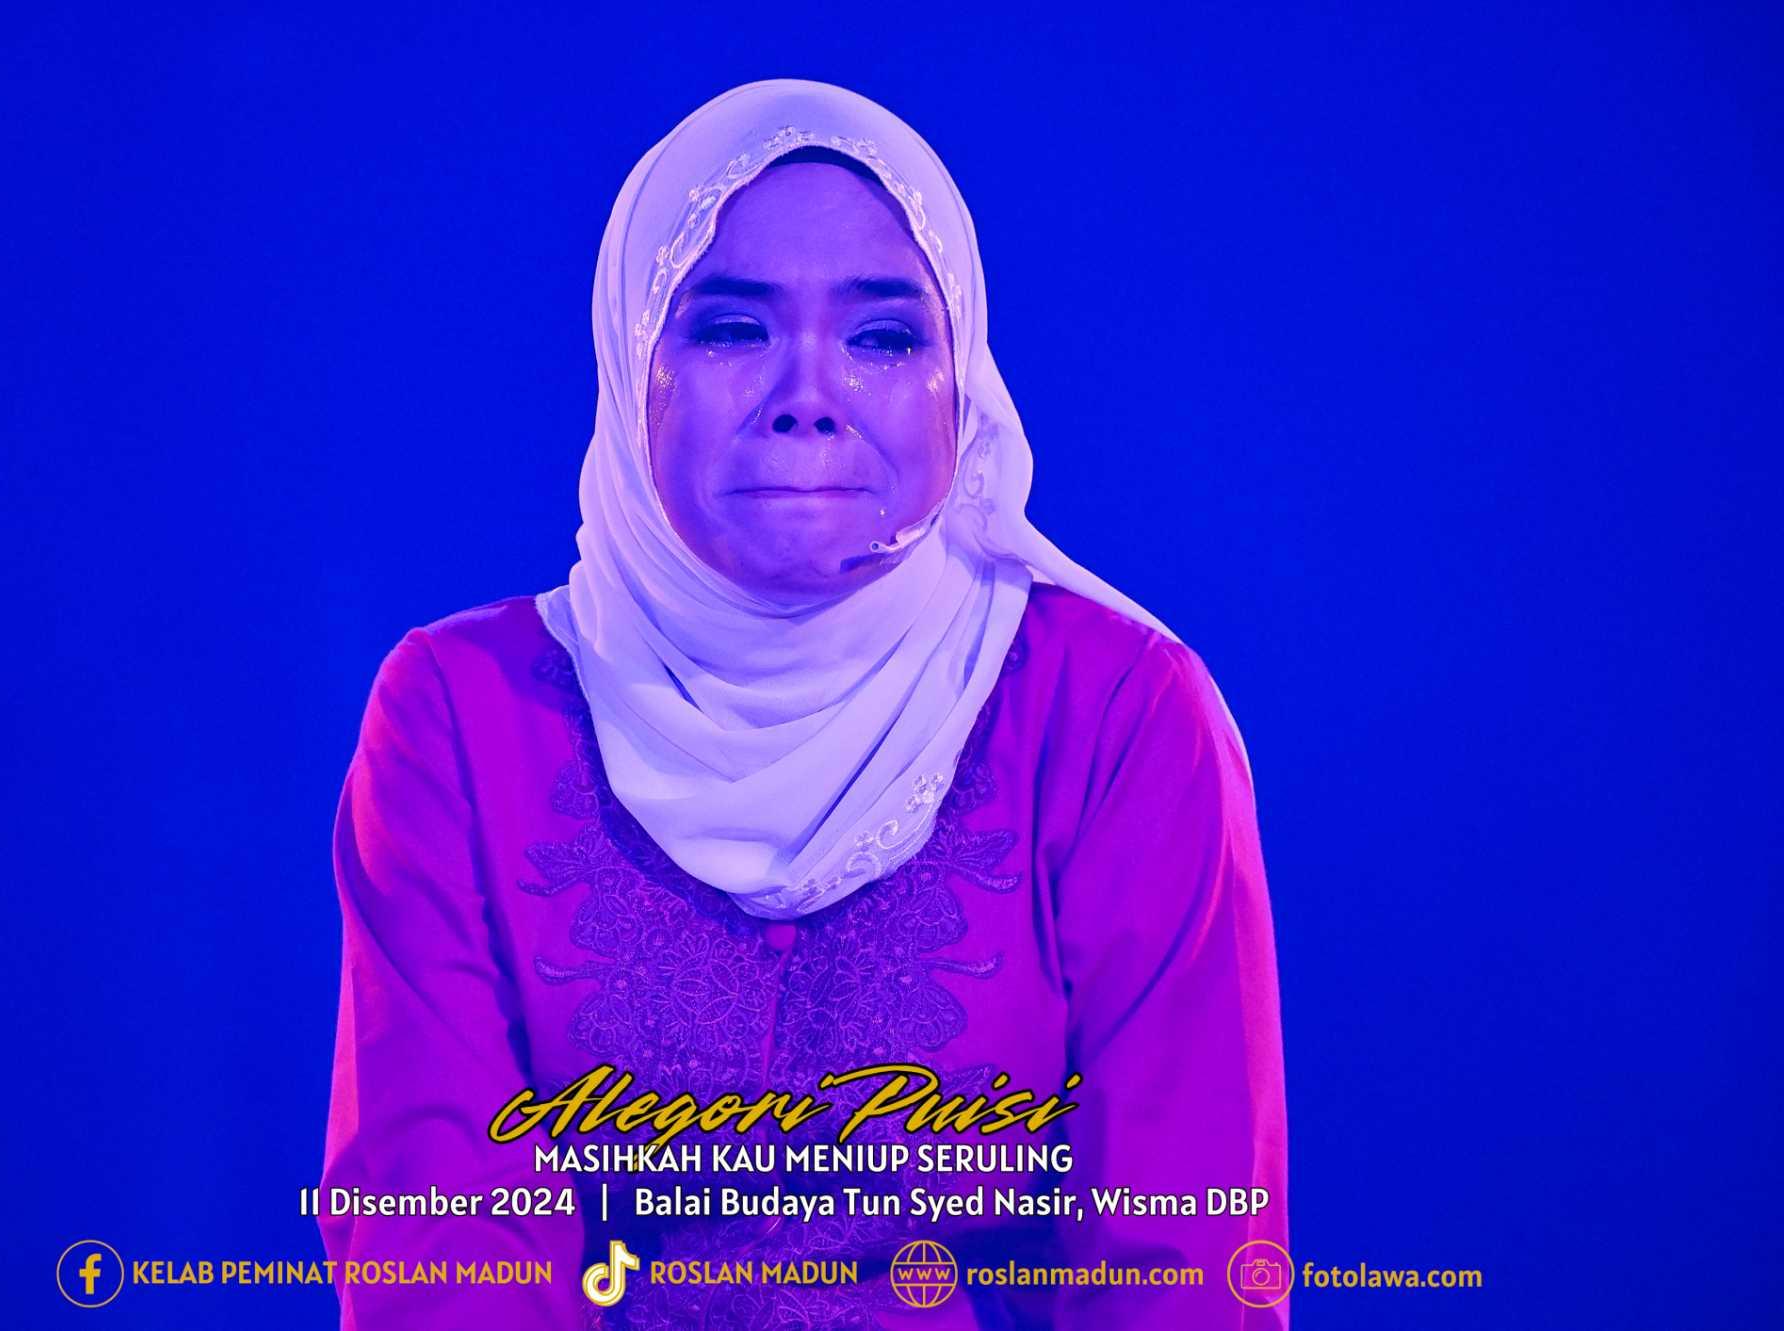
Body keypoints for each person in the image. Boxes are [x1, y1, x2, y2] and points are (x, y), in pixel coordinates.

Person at [318, 78, 1288, 1329]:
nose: (807, 395)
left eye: (882, 337)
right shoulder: (460, 714)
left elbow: (1186, 1262)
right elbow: (437, 1252)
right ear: (628, 363)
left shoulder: (1115, 715)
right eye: (730, 328)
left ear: (963, 381)